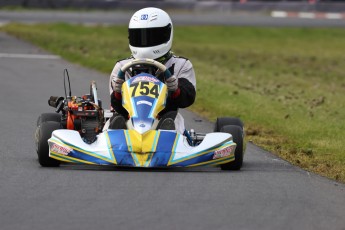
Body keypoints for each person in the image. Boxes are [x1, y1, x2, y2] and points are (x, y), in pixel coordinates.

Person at [108, 7, 196, 133]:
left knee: (172, 119)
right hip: (129, 120)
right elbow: (118, 107)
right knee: (116, 119)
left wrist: (176, 89)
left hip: (165, 119)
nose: (146, 42)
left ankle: (168, 139)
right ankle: (116, 139)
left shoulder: (180, 65)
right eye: (140, 36)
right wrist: (117, 92)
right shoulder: (123, 67)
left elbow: (187, 99)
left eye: (152, 36)